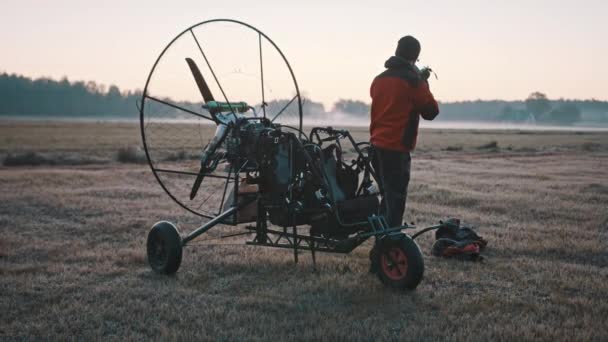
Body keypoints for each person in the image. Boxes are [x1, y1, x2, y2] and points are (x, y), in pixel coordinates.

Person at [369, 35, 439, 228]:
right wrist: (423, 83)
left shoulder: (379, 80)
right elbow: (431, 111)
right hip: (396, 148)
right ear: (415, 58)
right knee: (396, 200)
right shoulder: (413, 81)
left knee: (386, 197)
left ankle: (382, 238)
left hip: (375, 147)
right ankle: (390, 244)